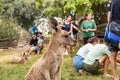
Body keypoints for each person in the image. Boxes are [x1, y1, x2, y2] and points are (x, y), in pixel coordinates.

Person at [107, 0, 120, 80]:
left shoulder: (112, 2)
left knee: (112, 54)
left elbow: (108, 17)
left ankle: (116, 77)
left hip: (112, 28)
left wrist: (109, 28)